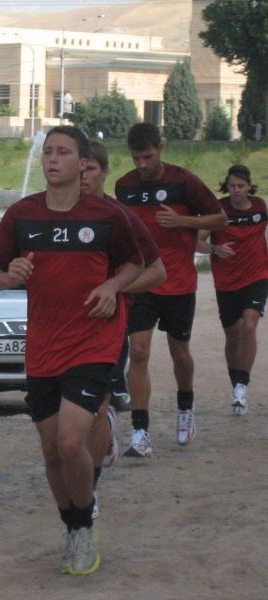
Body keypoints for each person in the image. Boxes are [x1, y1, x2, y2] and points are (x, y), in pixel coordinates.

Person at [0, 126, 144, 576]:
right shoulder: (22, 214)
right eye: (48, 152)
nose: (52, 159)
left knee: (71, 440)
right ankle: (71, 526)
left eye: (63, 152)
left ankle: (86, 523)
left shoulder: (107, 215)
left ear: (82, 162)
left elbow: (136, 263)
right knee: (52, 450)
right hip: (43, 347)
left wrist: (112, 285)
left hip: (94, 341)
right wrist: (9, 275)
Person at [115, 123, 227, 457]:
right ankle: (140, 432)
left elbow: (220, 219)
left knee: (180, 353)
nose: (142, 164)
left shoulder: (184, 182)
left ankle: (185, 406)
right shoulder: (125, 186)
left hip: (179, 283)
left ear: (160, 149)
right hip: (142, 283)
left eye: (148, 157)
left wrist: (184, 222)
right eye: (136, 158)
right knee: (138, 352)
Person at [81, 139, 166, 519]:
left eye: (90, 170)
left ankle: (90, 492)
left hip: (107, 327)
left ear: (104, 172)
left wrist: (114, 288)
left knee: (94, 408)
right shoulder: (49, 215)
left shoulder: (121, 217)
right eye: (79, 169)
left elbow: (157, 272)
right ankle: (102, 441)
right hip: (60, 329)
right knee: (66, 422)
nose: (83, 177)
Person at [197, 165, 268, 415]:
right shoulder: (218, 211)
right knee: (233, 336)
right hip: (226, 281)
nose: (236, 190)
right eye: (232, 186)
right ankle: (235, 381)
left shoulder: (260, 207)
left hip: (257, 276)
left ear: (249, 186)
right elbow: (195, 241)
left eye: (240, 186)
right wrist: (215, 249)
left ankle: (241, 386)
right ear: (226, 186)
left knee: (249, 326)